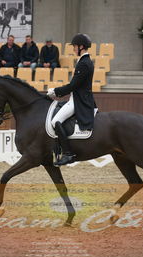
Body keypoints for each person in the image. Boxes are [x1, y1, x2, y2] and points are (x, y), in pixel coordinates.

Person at [47, 33, 96, 166]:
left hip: (79, 100)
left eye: (74, 46)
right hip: (75, 97)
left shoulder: (84, 63)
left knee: (55, 121)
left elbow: (73, 85)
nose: (73, 49)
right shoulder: (83, 61)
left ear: (81, 46)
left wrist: (55, 91)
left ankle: (68, 154)